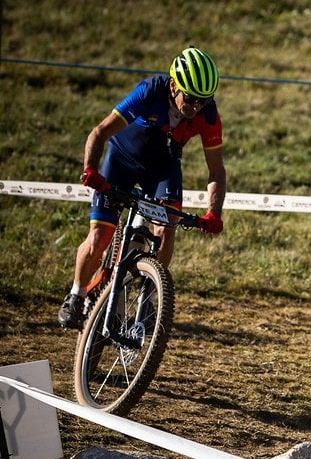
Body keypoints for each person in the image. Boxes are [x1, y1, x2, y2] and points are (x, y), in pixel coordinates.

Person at [58, 47, 228, 329]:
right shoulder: (150, 91)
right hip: (123, 160)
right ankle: (76, 294)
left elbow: (216, 170)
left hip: (163, 167)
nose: (197, 107)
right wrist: (90, 170)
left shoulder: (207, 114)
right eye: (192, 98)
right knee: (100, 236)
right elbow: (100, 131)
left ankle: (150, 295)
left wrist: (214, 213)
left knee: (167, 226)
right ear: (174, 86)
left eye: (204, 100)